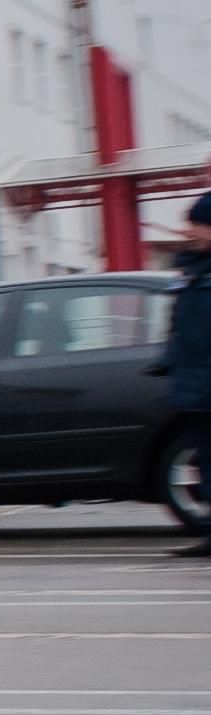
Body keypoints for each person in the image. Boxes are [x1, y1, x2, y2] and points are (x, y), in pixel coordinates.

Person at [171, 192, 211, 560]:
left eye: (197, 224)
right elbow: (181, 331)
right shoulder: (192, 273)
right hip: (195, 389)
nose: (190, 231)